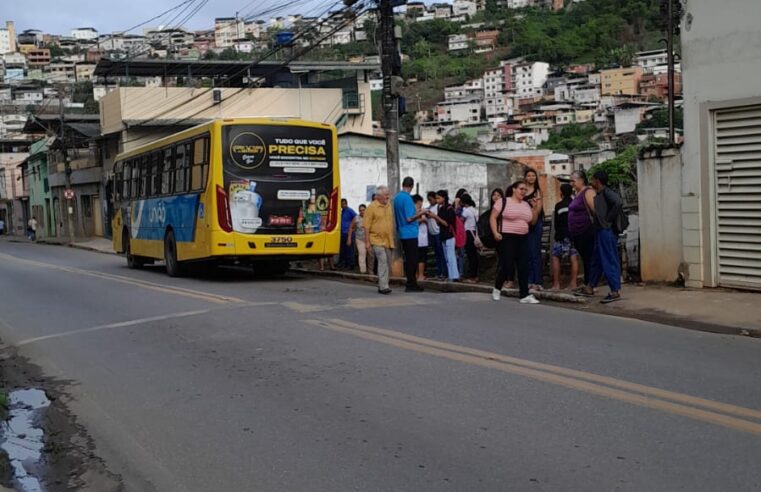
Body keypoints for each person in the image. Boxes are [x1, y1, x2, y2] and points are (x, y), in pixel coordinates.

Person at [489, 180, 542, 304]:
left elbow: (533, 222)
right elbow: (493, 217)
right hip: (507, 237)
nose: (523, 191)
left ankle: (524, 294)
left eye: (525, 190)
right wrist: (495, 232)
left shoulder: (526, 205)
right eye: (521, 189)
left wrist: (534, 208)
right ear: (514, 189)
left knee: (524, 266)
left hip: (523, 237)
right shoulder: (503, 201)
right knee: (507, 265)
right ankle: (497, 287)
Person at [586, 170, 623, 304]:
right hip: (600, 230)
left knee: (609, 259)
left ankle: (615, 290)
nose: (591, 182)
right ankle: (590, 286)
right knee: (597, 259)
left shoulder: (607, 192)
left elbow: (618, 202)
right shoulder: (600, 193)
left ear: (597, 180)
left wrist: (608, 219)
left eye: (593, 179)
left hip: (606, 230)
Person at [393, 177, 426, 292]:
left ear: (403, 184)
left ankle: (411, 282)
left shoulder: (396, 198)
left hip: (402, 231)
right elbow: (409, 218)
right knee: (413, 259)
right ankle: (411, 283)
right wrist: (422, 212)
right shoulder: (407, 199)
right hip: (410, 232)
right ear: (411, 186)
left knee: (409, 258)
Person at [568, 170, 596, 295]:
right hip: (578, 232)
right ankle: (587, 283)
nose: (571, 183)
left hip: (586, 230)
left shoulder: (588, 192)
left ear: (581, 180)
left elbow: (595, 210)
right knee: (585, 258)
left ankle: (590, 284)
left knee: (589, 258)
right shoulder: (577, 194)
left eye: (573, 181)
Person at [364, 186, 394, 294]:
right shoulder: (371, 207)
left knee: (388, 263)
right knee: (383, 261)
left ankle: (383, 283)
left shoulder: (389, 205)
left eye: (388, 194)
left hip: (388, 240)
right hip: (376, 239)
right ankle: (383, 286)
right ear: (379, 196)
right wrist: (367, 242)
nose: (388, 196)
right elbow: (366, 226)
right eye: (386, 194)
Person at [551, 183, 579, 291]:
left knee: (555, 257)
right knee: (573, 257)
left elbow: (557, 224)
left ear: (561, 193)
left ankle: (556, 285)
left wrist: (558, 236)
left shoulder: (559, 205)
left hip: (562, 235)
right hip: (574, 235)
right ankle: (573, 283)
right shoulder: (574, 204)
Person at [430, 190, 460, 282]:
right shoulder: (441, 208)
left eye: (438, 198)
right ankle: (451, 275)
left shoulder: (449, 208)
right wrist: (434, 218)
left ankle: (454, 276)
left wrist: (435, 217)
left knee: (451, 256)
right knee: (447, 257)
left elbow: (447, 224)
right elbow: (439, 223)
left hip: (449, 235)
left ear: (443, 198)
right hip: (443, 235)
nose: (437, 200)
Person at [523, 168, 544, 291]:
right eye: (529, 175)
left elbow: (539, 209)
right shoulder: (522, 191)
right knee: (527, 253)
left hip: (536, 224)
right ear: (525, 177)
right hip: (524, 224)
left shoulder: (537, 191)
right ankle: (529, 280)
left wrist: (534, 208)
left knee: (535, 252)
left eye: (533, 175)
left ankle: (538, 281)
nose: (531, 178)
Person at [460, 193, 480, 283]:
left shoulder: (466, 211)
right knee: (474, 255)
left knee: (470, 255)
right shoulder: (475, 210)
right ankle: (475, 275)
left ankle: (472, 276)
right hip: (475, 233)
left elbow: (461, 222)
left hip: (468, 233)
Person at [426, 191, 446, 279]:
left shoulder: (439, 207)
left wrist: (433, 215)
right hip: (432, 233)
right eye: (429, 200)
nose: (430, 202)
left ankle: (444, 272)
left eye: (431, 200)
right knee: (437, 254)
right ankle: (439, 272)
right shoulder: (429, 208)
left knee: (441, 253)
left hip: (438, 232)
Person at [337, 199, 357, 270]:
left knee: (350, 250)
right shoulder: (342, 212)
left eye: (344, 204)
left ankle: (351, 264)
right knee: (343, 250)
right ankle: (343, 263)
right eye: (342, 204)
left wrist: (352, 226)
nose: (343, 205)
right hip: (342, 233)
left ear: (346, 203)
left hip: (349, 233)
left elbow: (355, 217)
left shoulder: (350, 210)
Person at [413, 195, 429, 281]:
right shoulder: (415, 211)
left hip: (422, 237)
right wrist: (422, 218)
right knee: (421, 258)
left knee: (419, 257)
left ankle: (418, 275)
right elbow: (414, 221)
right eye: (420, 202)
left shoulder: (421, 211)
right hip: (419, 238)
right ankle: (420, 275)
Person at [355, 204, 369, 274]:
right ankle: (363, 270)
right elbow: (351, 228)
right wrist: (349, 237)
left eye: (363, 210)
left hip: (369, 239)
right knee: (362, 253)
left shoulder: (369, 217)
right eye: (360, 210)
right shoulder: (356, 218)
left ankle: (370, 270)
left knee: (370, 255)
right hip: (359, 239)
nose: (362, 212)